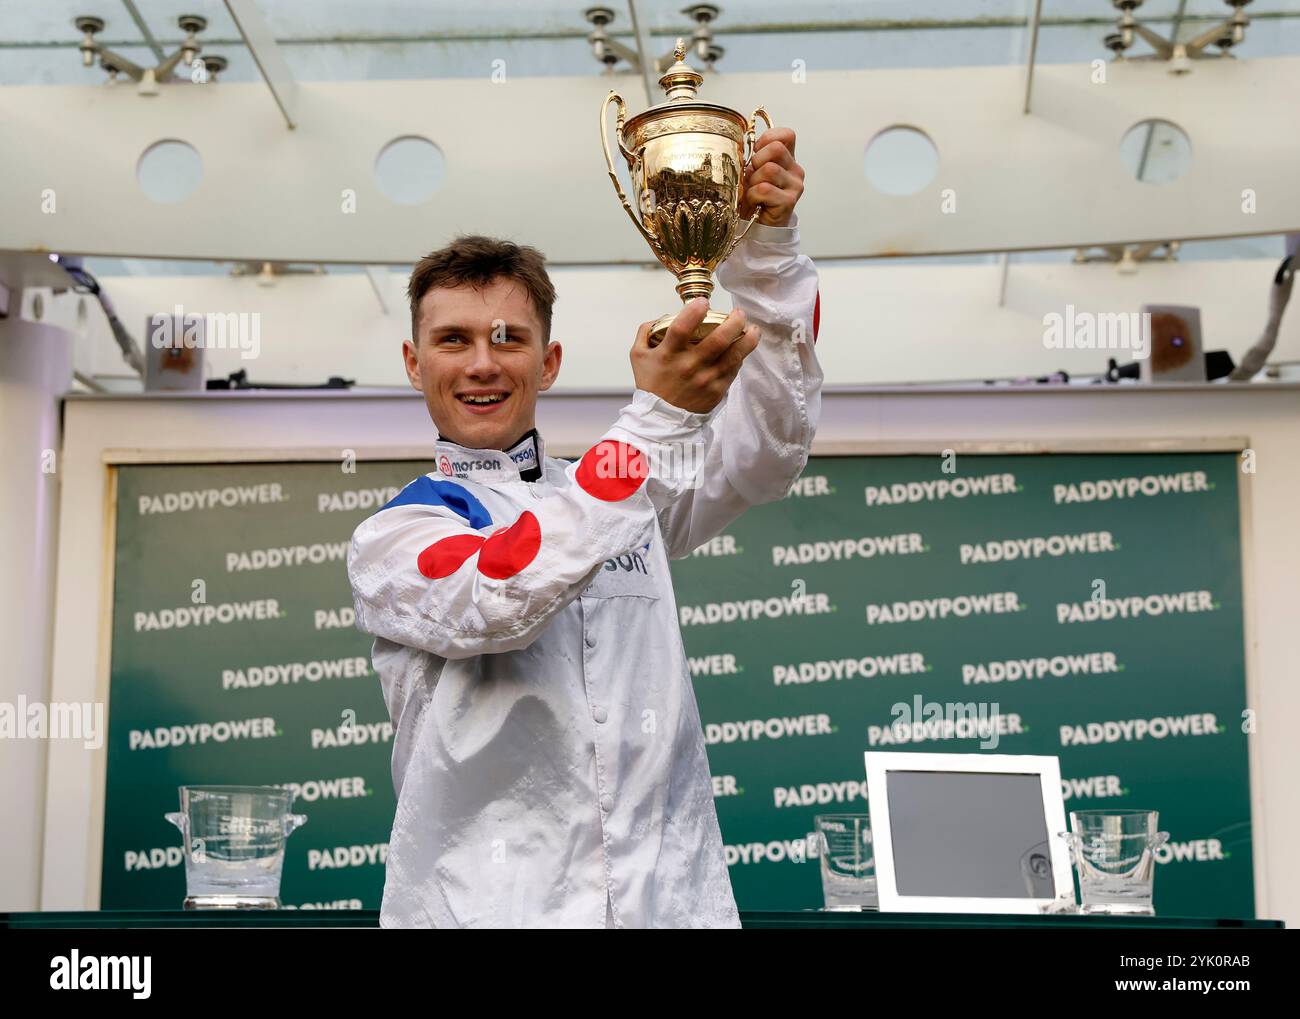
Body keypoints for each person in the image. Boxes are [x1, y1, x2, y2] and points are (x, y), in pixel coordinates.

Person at [347, 128, 822, 927]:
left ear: (551, 360)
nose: (482, 364)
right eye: (452, 340)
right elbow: (501, 588)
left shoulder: (623, 488)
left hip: (669, 909)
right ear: (412, 361)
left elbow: (767, 450)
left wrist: (766, 255)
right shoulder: (394, 537)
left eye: (509, 338)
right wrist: (658, 418)